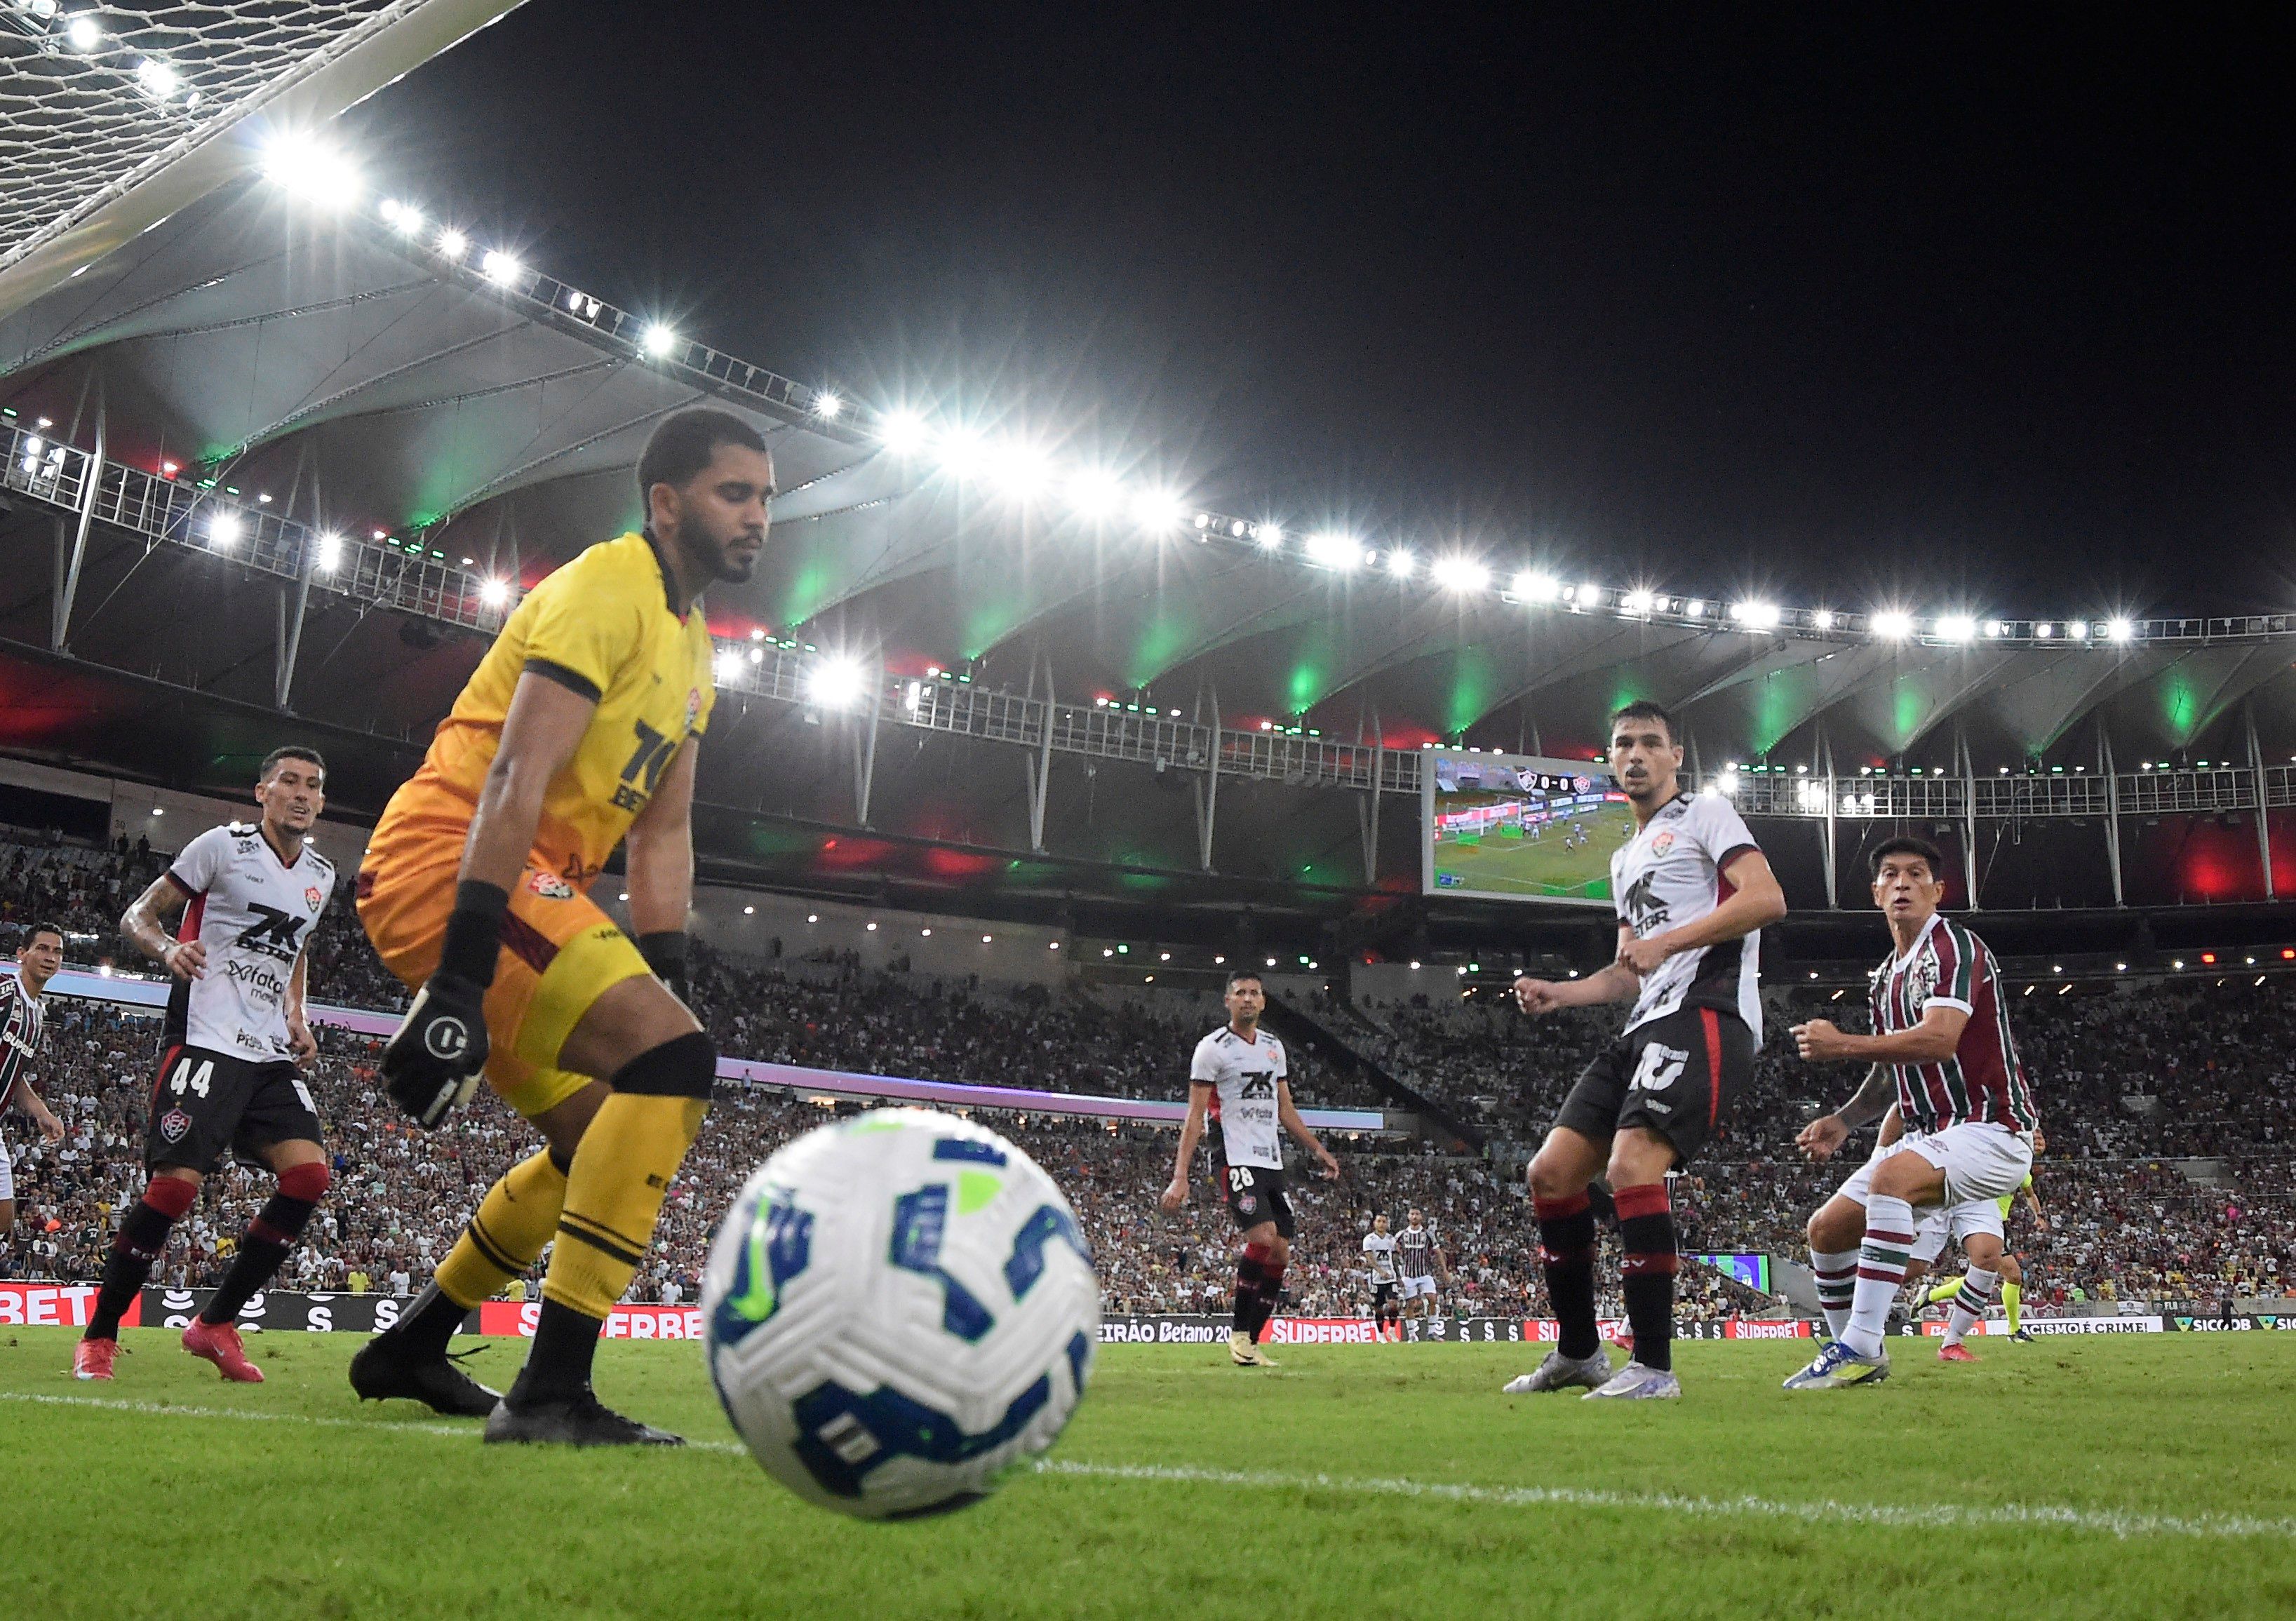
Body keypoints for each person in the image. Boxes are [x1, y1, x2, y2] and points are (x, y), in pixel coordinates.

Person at [349, 409, 767, 1445]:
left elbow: (664, 835)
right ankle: (550, 1393)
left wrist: (666, 984)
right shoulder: (603, 586)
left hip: (527, 880)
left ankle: (411, 1342)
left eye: (767, 498)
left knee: (601, 1134)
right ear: (666, 502)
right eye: (735, 493)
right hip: (449, 860)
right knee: (669, 1067)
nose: (760, 517)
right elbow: (514, 778)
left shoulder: (694, 648)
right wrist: (458, 975)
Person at [1503, 700, 1785, 1400]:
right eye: (1623, 743)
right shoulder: (1623, 855)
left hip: (1708, 1012)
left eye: (1649, 743)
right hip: (1646, 1023)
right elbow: (1628, 970)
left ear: (1674, 756)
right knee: (1552, 1172)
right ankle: (1578, 1353)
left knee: (1631, 1164)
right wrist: (1562, 992)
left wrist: (1667, 942)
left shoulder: (1706, 814)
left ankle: (1654, 1367)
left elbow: (1767, 899)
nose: (1635, 754)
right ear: (1610, 758)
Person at [76, 749, 334, 1383]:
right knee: (175, 1189)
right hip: (206, 1036)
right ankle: (100, 1335)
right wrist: (167, 948)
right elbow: (139, 914)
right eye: (289, 782)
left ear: (321, 802)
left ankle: (216, 1324)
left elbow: (294, 949)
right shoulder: (221, 846)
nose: (301, 794)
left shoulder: (323, 874)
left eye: (313, 787)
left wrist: (296, 1012)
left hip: (268, 1049)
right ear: (262, 791)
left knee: (308, 1178)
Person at [1785, 835, 2040, 1390]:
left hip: (1992, 1128)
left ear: (1938, 889)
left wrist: (1841, 1043)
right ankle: (1861, 1351)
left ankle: (1856, 1340)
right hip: (1930, 1132)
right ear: (1875, 892)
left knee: (1890, 1178)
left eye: (1916, 873)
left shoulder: (1953, 948)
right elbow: (1889, 1074)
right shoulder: (1885, 975)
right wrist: (1843, 1120)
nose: (1903, 882)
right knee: (1826, 1230)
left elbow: (1938, 1040)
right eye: (1891, 875)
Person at [1160, 969, 1342, 1367]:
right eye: (1239, 992)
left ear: (1263, 1002)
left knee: (1280, 1252)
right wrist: (1181, 1175)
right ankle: (1239, 1333)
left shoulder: (1274, 1048)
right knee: (1263, 1236)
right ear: (1228, 1001)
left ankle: (1253, 1342)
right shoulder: (1212, 1049)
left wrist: (1317, 1149)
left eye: (1254, 993)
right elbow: (1194, 1117)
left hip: (1270, 1160)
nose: (1247, 999)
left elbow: (1286, 1109)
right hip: (1233, 1155)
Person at [1921, 1134, 2048, 1348]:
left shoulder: (2022, 1169)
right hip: (1980, 1224)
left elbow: (2029, 1193)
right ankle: (2014, 1330)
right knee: (2011, 1275)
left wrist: (2039, 1215)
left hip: (1997, 1226)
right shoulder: (1995, 1158)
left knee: (1989, 1275)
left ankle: (1930, 1296)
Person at [1, 924, 69, 1241]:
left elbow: (15, 1077)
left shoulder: (37, 1016)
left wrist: (41, 1112)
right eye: (42, 948)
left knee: (4, 1220)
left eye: (56, 951)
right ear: (21, 954)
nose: (50, 957)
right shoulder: (5, 991)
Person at [1393, 1207, 1450, 1328]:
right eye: (1412, 1214)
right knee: (1410, 1304)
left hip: (1425, 1273)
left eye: (1417, 1214)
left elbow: (1438, 1252)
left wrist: (1444, 1270)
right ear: (1408, 1216)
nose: (1414, 1216)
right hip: (1408, 1274)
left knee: (1432, 1299)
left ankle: (1432, 1331)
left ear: (1421, 1217)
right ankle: (1412, 1333)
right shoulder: (1401, 1235)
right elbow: (1392, 1252)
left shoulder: (1428, 1234)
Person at [1361, 1213, 1401, 1340]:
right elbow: (1370, 1259)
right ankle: (1381, 1334)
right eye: (1379, 1221)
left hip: (1391, 1277)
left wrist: (1398, 1276)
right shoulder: (1369, 1239)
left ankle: (1392, 1329)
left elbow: (1394, 1259)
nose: (1382, 1224)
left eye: (1384, 1221)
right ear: (1374, 1223)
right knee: (1379, 1308)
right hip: (1377, 1279)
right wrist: (1380, 1271)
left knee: (1393, 1304)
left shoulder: (1391, 1239)